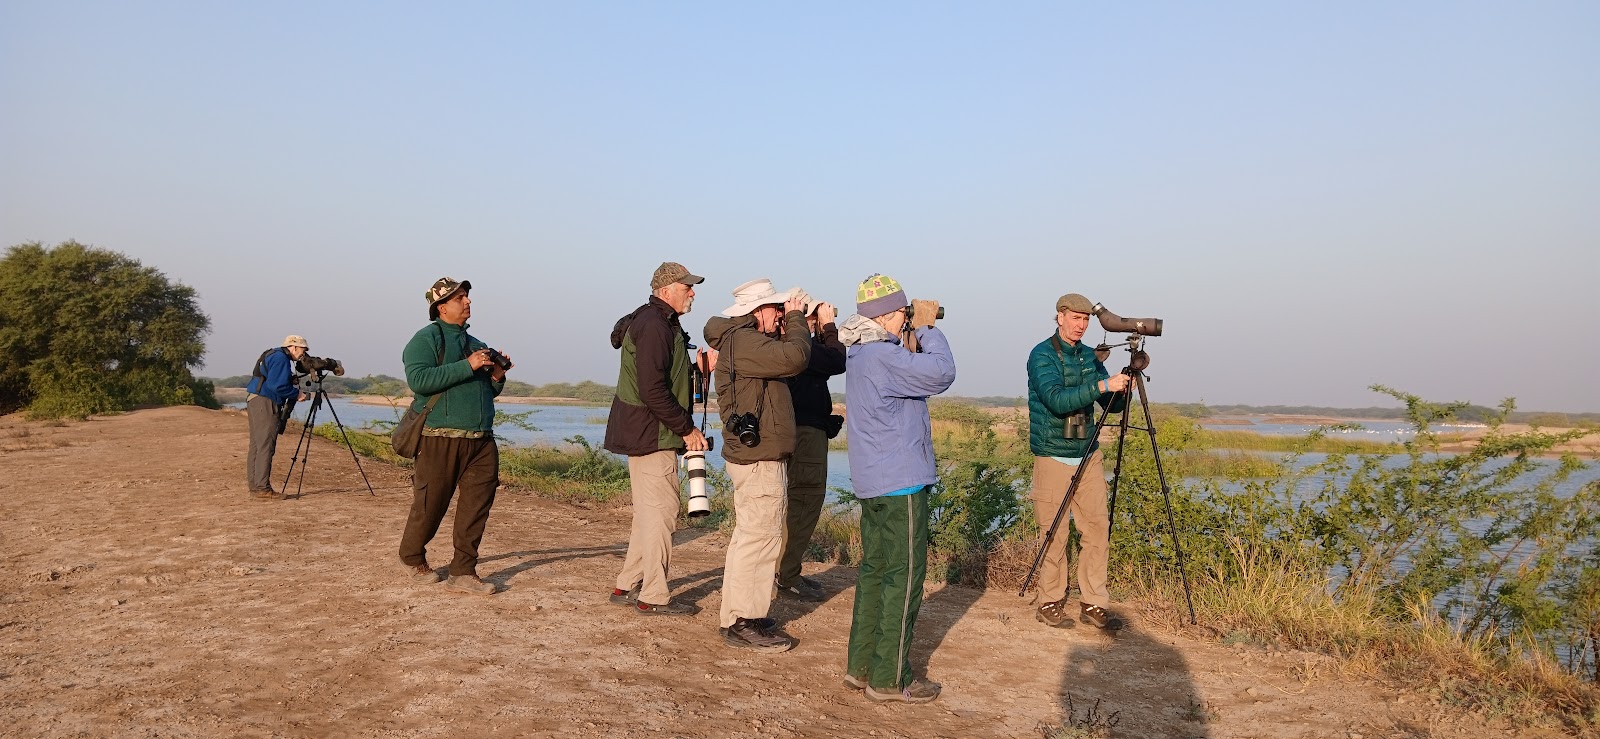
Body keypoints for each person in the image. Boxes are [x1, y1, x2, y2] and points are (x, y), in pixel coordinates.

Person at [838, 273, 955, 704]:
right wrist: (928, 328)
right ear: (888, 316)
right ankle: (890, 678)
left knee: (875, 573)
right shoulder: (885, 357)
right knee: (904, 579)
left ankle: (862, 667)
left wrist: (909, 332)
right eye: (903, 314)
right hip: (902, 483)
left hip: (874, 482)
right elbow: (942, 372)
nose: (907, 319)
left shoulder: (862, 354)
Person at [703, 278, 811, 653]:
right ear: (758, 311)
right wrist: (798, 319)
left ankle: (737, 615)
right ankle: (743, 620)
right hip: (759, 457)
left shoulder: (740, 340)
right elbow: (796, 358)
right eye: (776, 308)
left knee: (749, 536)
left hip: (756, 454)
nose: (780, 313)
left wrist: (789, 325)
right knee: (761, 537)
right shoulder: (746, 341)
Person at [602, 261, 712, 616]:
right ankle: (653, 596)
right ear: (666, 291)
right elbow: (652, 389)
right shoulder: (654, 325)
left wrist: (697, 371)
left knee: (649, 514)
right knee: (663, 512)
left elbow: (664, 380)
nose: (693, 292)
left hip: (648, 431)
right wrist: (687, 428)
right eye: (687, 287)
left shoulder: (659, 321)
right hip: (652, 433)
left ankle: (627, 583)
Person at [397, 277, 512, 596]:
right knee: (430, 504)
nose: (467, 301)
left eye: (467, 296)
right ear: (441, 307)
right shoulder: (426, 339)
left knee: (477, 505)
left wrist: (498, 377)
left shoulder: (476, 343)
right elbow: (418, 380)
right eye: (460, 297)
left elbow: (484, 390)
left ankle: (463, 570)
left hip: (481, 439)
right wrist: (468, 365)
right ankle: (412, 557)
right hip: (439, 437)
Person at [1026, 293, 1131, 631]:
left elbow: (1109, 405)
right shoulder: (1041, 355)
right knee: (1054, 533)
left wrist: (1122, 386)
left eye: (1086, 320)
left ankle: (1093, 602)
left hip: (1087, 453)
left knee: (1097, 530)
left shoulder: (1089, 356)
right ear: (1060, 317)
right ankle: (1050, 600)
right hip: (1052, 455)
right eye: (1075, 318)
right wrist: (1103, 383)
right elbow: (1057, 400)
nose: (1081, 325)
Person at [776, 295, 845, 602]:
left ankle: (783, 571)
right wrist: (829, 326)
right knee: (805, 501)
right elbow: (836, 360)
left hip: (797, 430)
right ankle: (786, 575)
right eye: (812, 319)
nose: (817, 323)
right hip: (804, 437)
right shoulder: (798, 347)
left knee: (791, 504)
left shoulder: (778, 345)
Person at [244, 335, 309, 500]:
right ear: (293, 347)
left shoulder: (273, 354)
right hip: (265, 402)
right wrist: (297, 394)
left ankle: (256, 486)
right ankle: (262, 489)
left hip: (256, 399)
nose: (303, 354)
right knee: (266, 445)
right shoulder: (281, 359)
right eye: (303, 350)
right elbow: (276, 386)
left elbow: (271, 379)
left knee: (257, 445)